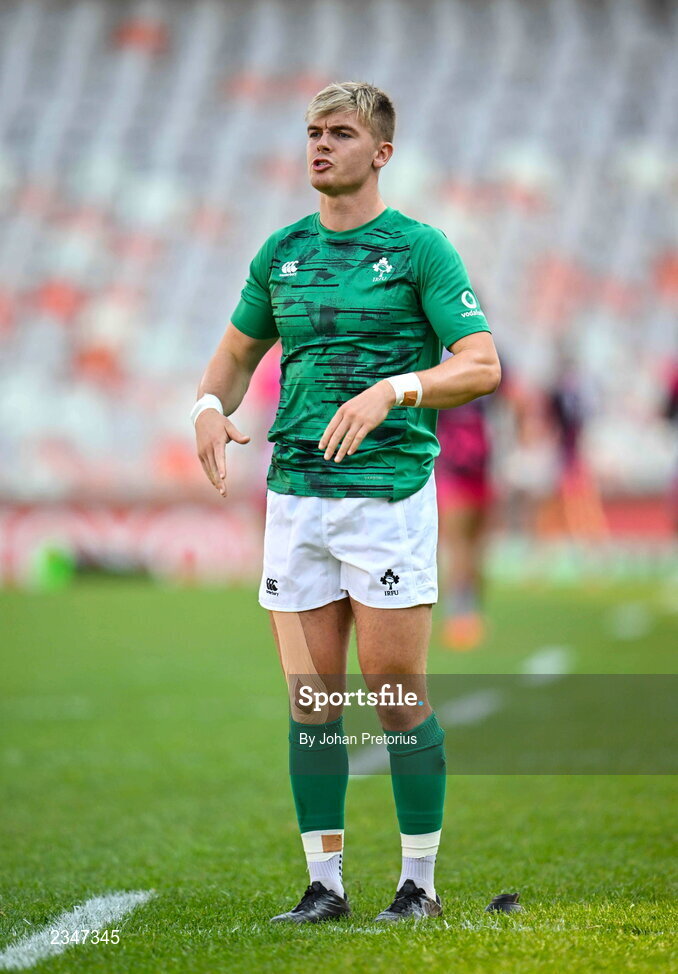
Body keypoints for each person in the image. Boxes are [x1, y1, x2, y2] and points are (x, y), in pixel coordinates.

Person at [192, 82, 500, 924]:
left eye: (339, 133)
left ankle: (420, 887)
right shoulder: (281, 251)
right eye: (312, 133)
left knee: (396, 690)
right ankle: (324, 886)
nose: (319, 146)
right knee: (312, 700)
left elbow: (480, 363)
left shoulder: (419, 250)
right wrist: (207, 409)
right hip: (294, 500)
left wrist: (393, 390)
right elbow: (231, 355)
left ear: (381, 152)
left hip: (388, 498)